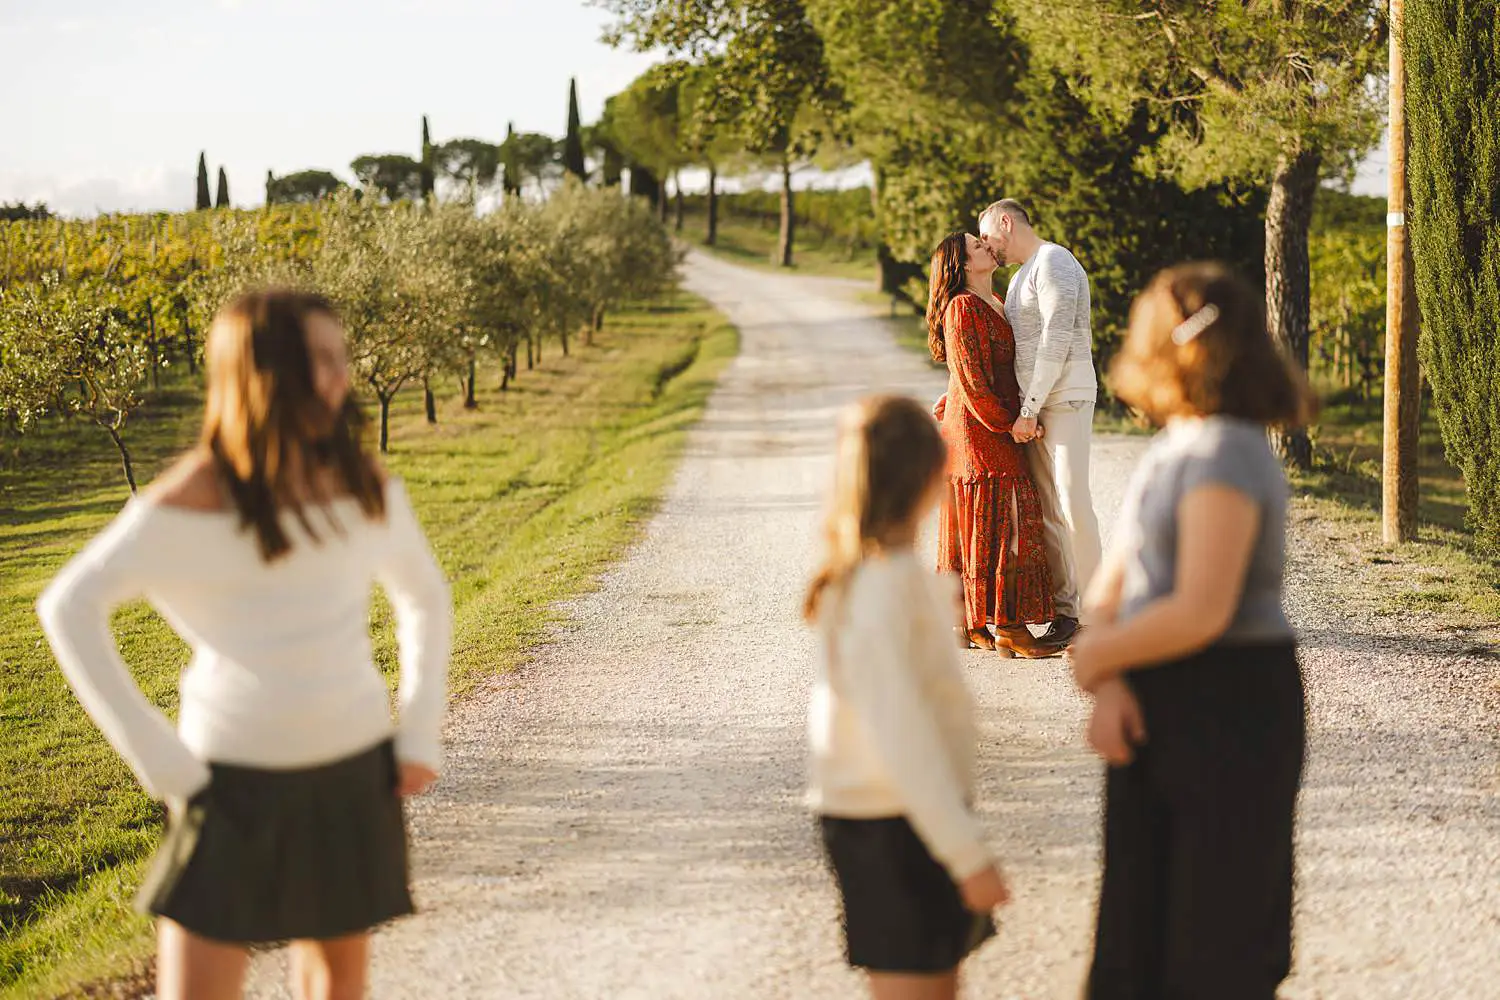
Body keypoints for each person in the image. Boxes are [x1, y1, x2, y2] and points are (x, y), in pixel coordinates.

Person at [36, 290, 453, 1000]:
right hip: (226, 779)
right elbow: (69, 606)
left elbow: (424, 596)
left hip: (351, 767)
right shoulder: (187, 499)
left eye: (340, 357)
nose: (341, 377)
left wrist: (417, 732)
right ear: (263, 372)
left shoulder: (362, 481)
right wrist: (157, 756)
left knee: (337, 981)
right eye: (320, 360)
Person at [1068, 263, 1316, 1000]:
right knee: (1137, 934)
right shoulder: (1176, 447)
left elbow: (1203, 608)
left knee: (1217, 944)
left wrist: (1096, 660)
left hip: (1229, 705)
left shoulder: (1227, 451)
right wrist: (1110, 683)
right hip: (1156, 694)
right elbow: (1110, 589)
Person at [805, 395, 1012, 1000]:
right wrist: (965, 852)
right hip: (890, 824)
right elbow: (901, 736)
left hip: (900, 817)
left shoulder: (884, 579)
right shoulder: (883, 591)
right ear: (932, 473)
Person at [927, 232, 1058, 657]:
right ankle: (1008, 627)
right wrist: (1012, 424)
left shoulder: (994, 300)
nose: (987, 246)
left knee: (992, 521)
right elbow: (974, 381)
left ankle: (972, 622)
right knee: (1008, 521)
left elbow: (977, 371)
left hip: (981, 422)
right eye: (976, 246)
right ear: (963, 265)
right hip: (979, 431)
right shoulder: (962, 306)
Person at [978, 199, 1102, 648]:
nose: (988, 248)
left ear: (1006, 223)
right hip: (1034, 409)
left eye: (988, 236)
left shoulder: (1055, 261)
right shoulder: (1018, 277)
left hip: (1064, 398)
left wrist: (1030, 409)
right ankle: (1067, 612)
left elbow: (1057, 337)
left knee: (1072, 501)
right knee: (1048, 509)